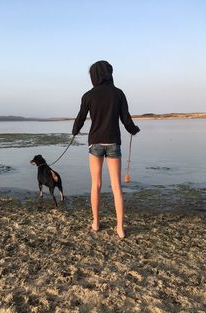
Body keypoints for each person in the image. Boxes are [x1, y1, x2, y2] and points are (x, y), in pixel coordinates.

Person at [72, 60, 140, 239]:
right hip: (113, 143)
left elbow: (80, 118)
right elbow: (126, 119)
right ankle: (120, 228)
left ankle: (95, 223)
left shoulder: (88, 95)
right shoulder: (118, 93)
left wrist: (74, 132)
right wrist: (134, 130)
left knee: (96, 184)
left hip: (95, 143)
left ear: (94, 75)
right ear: (109, 73)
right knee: (116, 187)